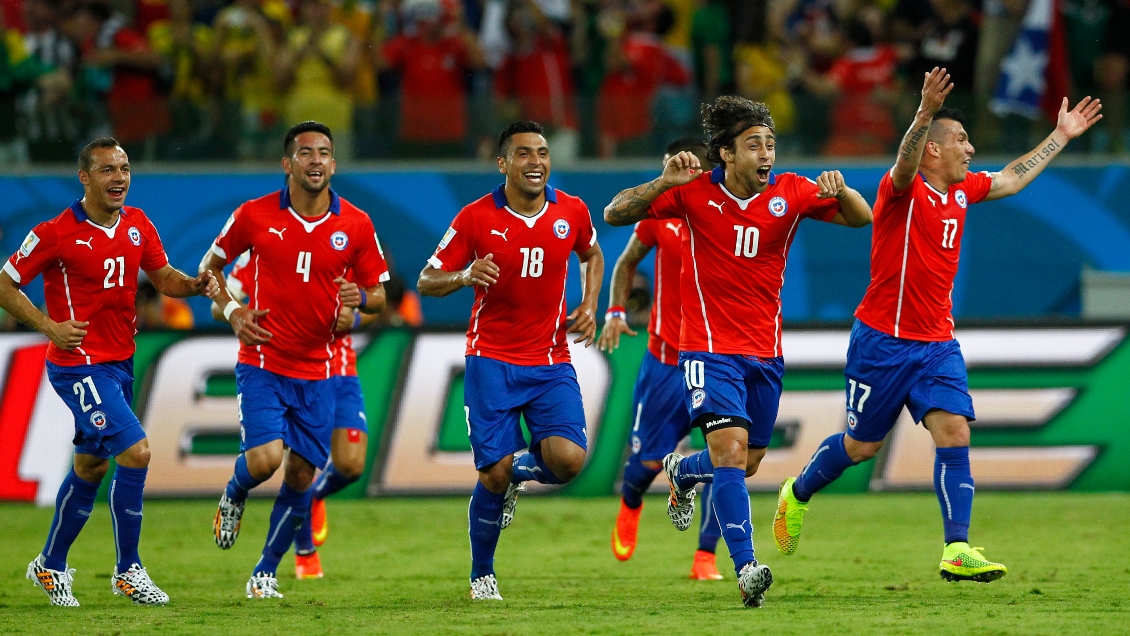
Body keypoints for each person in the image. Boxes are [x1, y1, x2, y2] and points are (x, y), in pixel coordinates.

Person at [771, 69, 1103, 582]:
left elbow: (1011, 177)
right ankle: (798, 492)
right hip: (881, 342)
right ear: (933, 150)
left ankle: (957, 548)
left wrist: (1060, 135)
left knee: (954, 431)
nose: (971, 149)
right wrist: (924, 113)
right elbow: (903, 166)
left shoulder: (961, 192)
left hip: (937, 344)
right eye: (962, 141)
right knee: (862, 447)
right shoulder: (900, 189)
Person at [603, 95, 872, 607]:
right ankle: (745, 566)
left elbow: (861, 218)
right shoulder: (693, 194)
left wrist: (845, 189)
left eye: (771, 143)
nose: (766, 153)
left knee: (747, 461)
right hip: (707, 350)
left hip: (765, 355)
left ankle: (682, 470)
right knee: (729, 452)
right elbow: (615, 212)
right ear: (725, 154)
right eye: (754, 145)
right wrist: (663, 183)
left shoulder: (790, 193)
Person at [3, 137, 219, 606]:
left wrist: (196, 286)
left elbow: (163, 279)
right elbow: (4, 282)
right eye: (106, 170)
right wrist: (47, 326)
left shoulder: (138, 225)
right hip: (77, 364)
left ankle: (50, 565)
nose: (119, 177)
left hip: (119, 361)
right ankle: (128, 570)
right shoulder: (54, 232)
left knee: (91, 465)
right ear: (84, 178)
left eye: (123, 168)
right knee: (136, 452)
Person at [200, 121, 389, 599]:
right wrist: (234, 311)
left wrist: (359, 301)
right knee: (264, 462)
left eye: (325, 152)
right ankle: (236, 491)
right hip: (263, 360)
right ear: (287, 164)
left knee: (305, 473)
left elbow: (379, 297)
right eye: (306, 153)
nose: (316, 161)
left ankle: (266, 570)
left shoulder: (357, 224)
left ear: (334, 163)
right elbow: (210, 270)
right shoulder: (254, 216)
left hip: (323, 369)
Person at [418, 121, 605, 600]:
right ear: (502, 164)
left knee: (568, 461)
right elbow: (426, 280)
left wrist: (589, 304)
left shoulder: (572, 211)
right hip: (492, 360)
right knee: (492, 473)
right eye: (523, 154)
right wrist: (464, 274)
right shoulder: (476, 217)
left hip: (550, 359)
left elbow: (592, 253)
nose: (536, 162)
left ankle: (520, 476)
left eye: (542, 152)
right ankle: (483, 574)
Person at [599, 137, 724, 581]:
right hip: (667, 360)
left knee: (724, 453)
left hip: (716, 357)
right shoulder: (662, 213)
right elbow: (626, 261)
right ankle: (632, 502)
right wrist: (615, 310)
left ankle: (705, 555)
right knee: (648, 463)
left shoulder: (729, 212)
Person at [211, 256, 377, 580]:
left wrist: (354, 318)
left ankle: (314, 499)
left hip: (336, 370)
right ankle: (302, 555)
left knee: (350, 465)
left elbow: (376, 301)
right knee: (288, 465)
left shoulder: (342, 245)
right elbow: (220, 303)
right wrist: (235, 311)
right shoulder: (265, 246)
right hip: (279, 368)